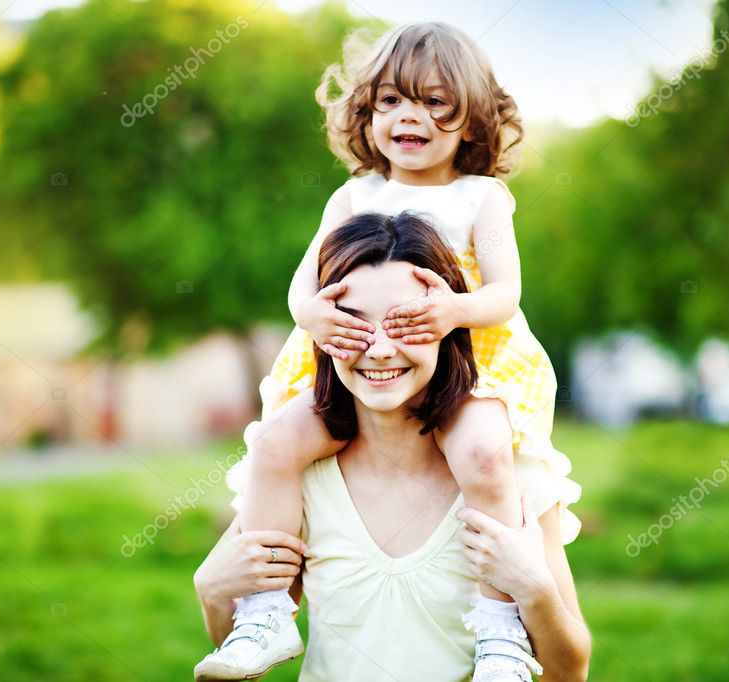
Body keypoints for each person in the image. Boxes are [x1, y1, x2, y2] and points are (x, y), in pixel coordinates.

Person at [194, 21, 583, 680]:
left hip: (465, 364)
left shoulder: (479, 197)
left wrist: (453, 310)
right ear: (366, 113)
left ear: (471, 122)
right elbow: (304, 282)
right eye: (392, 101)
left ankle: (499, 635)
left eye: (436, 103)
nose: (412, 118)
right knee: (276, 444)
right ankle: (262, 616)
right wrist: (313, 312)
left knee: (486, 456)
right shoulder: (353, 195)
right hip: (356, 359)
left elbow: (505, 291)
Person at [194, 212, 590, 681]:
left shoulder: (507, 478)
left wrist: (535, 592)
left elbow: (568, 672)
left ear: (449, 331)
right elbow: (246, 661)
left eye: (407, 324)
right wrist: (212, 594)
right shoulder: (296, 476)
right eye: (353, 326)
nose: (379, 349)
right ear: (321, 337)